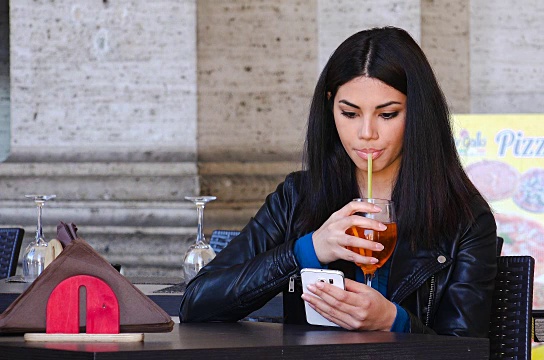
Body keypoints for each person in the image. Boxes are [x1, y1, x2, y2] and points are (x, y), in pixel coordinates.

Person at [180, 26, 497, 336]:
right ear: (330, 106)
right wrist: (307, 249)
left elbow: (467, 348)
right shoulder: (298, 197)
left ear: (417, 113)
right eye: (350, 114)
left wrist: (394, 321)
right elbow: (196, 303)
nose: (366, 133)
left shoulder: (465, 218)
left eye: (387, 115)